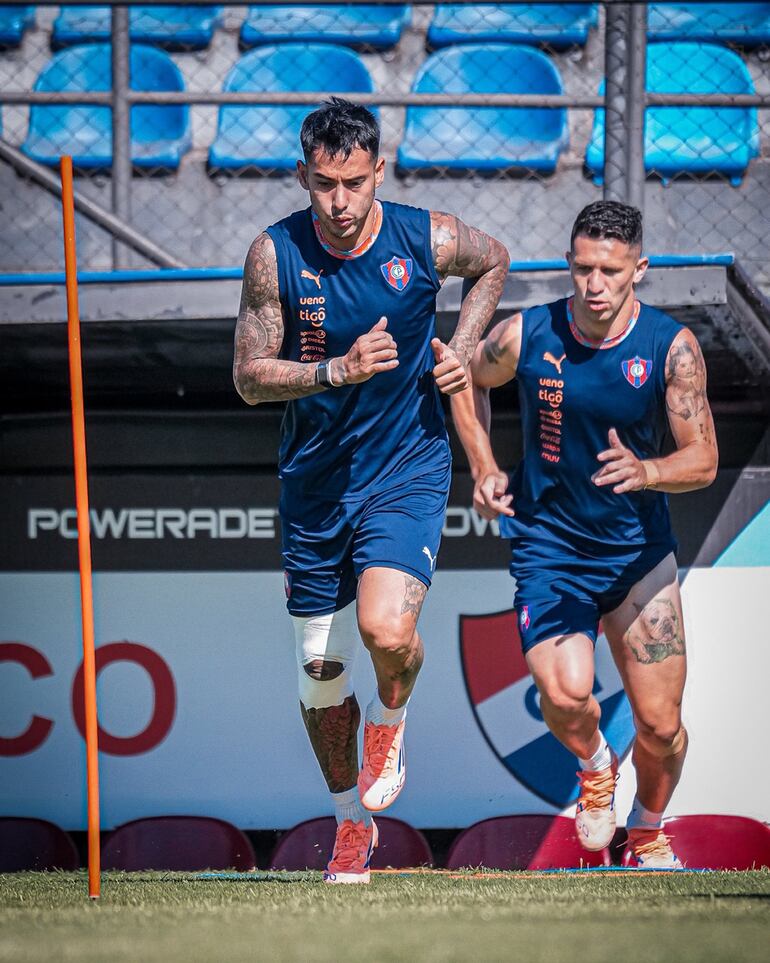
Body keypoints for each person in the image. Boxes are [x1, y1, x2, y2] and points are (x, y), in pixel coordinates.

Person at [233, 98, 509, 883]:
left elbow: (495, 261)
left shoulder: (426, 238)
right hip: (316, 485)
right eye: (324, 184)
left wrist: (461, 346)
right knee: (320, 675)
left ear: (378, 170)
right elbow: (248, 377)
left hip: (405, 467)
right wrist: (335, 370)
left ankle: (390, 718)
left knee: (387, 630)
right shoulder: (273, 254)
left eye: (354, 182)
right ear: (303, 174)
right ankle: (350, 818)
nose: (340, 201)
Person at [451, 201, 717, 868]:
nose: (595, 284)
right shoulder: (526, 334)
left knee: (661, 725)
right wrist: (483, 466)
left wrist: (648, 469)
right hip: (550, 551)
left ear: (639, 269)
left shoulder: (671, 347)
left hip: (637, 557)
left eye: (611, 271)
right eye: (583, 269)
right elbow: (465, 378)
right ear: (569, 264)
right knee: (566, 694)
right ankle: (597, 764)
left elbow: (704, 459)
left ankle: (647, 831)